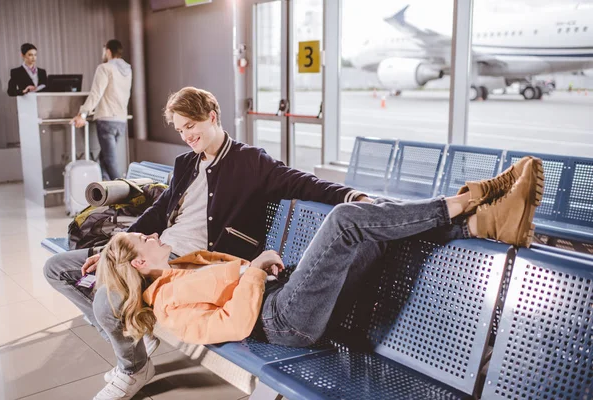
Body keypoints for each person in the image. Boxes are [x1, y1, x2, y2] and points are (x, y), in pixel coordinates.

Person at [94, 155, 544, 399]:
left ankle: (480, 225)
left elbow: (232, 285)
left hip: (284, 298)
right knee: (348, 219)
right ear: (138, 264)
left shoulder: (177, 268)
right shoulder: (167, 303)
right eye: (144, 241)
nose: (151, 235)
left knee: (371, 235)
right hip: (283, 322)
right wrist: (252, 272)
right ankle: (461, 203)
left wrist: (257, 268)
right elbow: (230, 324)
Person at [45, 86, 370, 400]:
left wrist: (352, 195)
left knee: (107, 301)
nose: (186, 136)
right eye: (179, 129)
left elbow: (301, 182)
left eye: (191, 126)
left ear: (212, 117)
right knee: (56, 268)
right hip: (156, 248)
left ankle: (133, 367)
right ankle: (133, 338)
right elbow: (160, 212)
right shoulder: (186, 163)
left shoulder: (250, 162)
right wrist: (112, 248)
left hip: (187, 265)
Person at [71, 39, 132, 180]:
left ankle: (127, 192)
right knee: (104, 160)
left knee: (109, 160)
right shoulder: (127, 70)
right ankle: (107, 194)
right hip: (121, 121)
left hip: (106, 120)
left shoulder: (104, 68)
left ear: (108, 51)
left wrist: (83, 114)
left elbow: (96, 94)